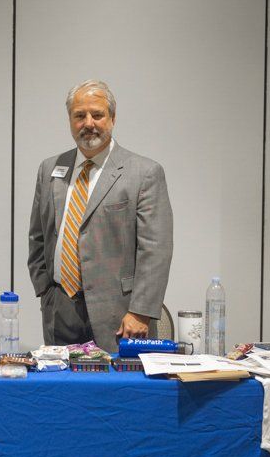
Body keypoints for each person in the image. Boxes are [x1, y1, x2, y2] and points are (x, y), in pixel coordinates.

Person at [28, 79, 173, 352]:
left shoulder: (144, 173)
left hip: (121, 316)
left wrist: (141, 311)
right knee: (62, 392)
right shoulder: (50, 169)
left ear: (113, 118)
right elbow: (38, 237)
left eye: (97, 114)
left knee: (120, 392)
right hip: (60, 310)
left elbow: (156, 250)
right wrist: (46, 292)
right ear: (70, 120)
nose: (88, 123)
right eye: (79, 116)